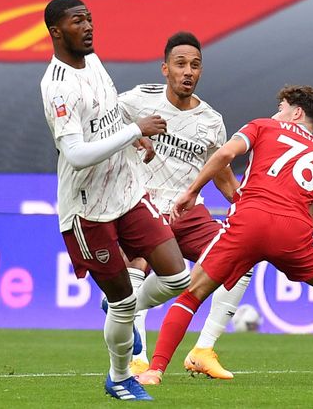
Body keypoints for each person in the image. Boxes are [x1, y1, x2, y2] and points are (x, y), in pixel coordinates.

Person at [135, 86, 313, 388]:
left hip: (248, 220)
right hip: (293, 230)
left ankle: (154, 371)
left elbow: (224, 154)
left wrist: (192, 191)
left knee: (192, 294)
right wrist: (293, 254)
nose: (276, 113)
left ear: (296, 112)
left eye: (281, 107)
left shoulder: (263, 126)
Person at [38, 0, 191, 402]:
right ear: (56, 31)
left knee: (178, 278)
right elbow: (75, 154)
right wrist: (135, 130)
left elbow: (109, 112)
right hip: (87, 209)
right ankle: (120, 377)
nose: (88, 27)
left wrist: (131, 132)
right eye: (77, 21)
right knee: (123, 302)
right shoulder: (58, 86)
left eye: (89, 19)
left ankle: (123, 310)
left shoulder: (92, 61)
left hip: (126, 191)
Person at [118, 31, 243, 380]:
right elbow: (102, 121)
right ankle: (136, 359)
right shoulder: (139, 100)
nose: (188, 71)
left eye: (195, 65)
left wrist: (249, 206)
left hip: (188, 210)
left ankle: (203, 349)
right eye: (180, 64)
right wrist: (131, 135)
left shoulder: (211, 120)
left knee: (239, 258)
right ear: (165, 69)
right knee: (137, 267)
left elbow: (223, 176)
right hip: (142, 203)